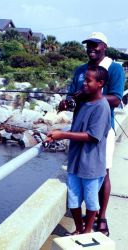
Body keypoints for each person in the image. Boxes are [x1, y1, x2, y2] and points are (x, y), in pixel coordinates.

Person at [62, 32, 125, 236]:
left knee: (103, 171)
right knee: (79, 171)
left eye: (95, 45)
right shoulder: (81, 70)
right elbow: (73, 94)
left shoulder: (114, 68)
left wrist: (88, 96)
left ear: (104, 47)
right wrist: (68, 101)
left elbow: (116, 99)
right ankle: (86, 218)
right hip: (79, 127)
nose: (91, 48)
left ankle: (102, 216)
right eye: (88, 45)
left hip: (102, 128)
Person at [45, 65, 111, 234]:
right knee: (73, 200)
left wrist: (63, 135)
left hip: (92, 165)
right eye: (84, 80)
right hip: (75, 162)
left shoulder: (102, 107)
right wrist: (65, 105)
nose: (84, 84)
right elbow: (74, 118)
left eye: (88, 81)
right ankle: (79, 230)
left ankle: (87, 231)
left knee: (91, 202)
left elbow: (91, 136)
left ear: (100, 83)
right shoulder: (83, 101)